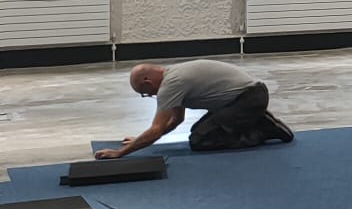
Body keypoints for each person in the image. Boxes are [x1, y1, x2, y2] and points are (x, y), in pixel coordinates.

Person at [95, 60, 294, 158]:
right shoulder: (174, 75)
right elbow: (176, 120)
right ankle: (255, 119)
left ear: (148, 82)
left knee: (201, 141)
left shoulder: (170, 85)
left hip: (249, 100)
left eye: (145, 93)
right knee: (198, 133)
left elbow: (156, 130)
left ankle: (262, 130)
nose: (149, 96)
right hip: (247, 97)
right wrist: (139, 140)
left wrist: (120, 153)